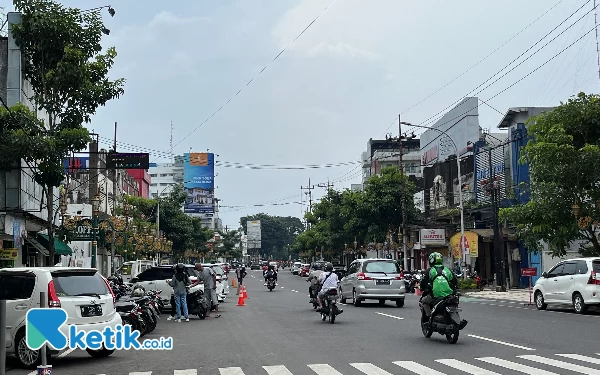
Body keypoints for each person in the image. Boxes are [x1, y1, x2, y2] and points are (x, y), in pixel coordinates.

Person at [420, 252, 458, 319]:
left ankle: (430, 317)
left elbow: (423, 282)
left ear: (431, 261)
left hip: (436, 295)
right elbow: (455, 282)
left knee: (424, 301)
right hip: (449, 295)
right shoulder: (447, 270)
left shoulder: (430, 270)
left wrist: (421, 288)